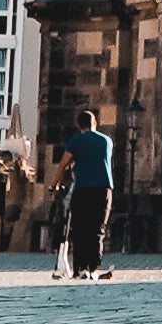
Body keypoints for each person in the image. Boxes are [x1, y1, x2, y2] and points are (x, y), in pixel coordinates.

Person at [51, 108, 116, 280]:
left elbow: (62, 165)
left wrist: (54, 185)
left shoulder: (76, 141)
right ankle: (93, 267)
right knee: (97, 229)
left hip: (83, 189)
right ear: (95, 123)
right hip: (104, 189)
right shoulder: (107, 141)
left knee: (80, 229)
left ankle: (79, 268)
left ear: (79, 125)